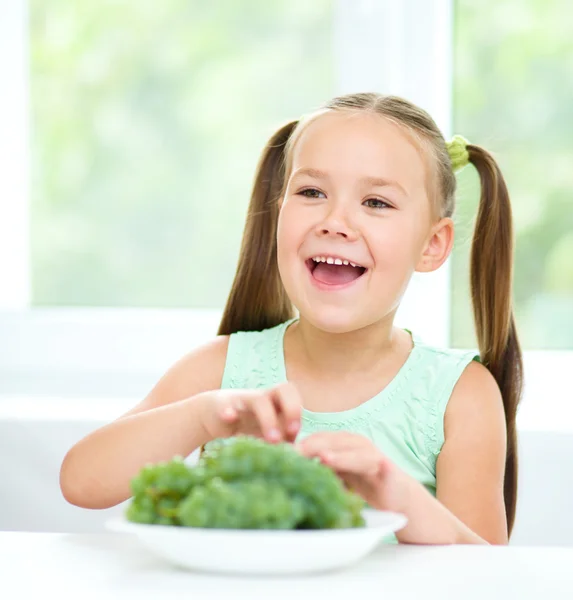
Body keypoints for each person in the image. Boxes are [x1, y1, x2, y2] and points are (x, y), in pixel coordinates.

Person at [60, 93, 523, 545]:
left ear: (432, 245)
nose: (335, 221)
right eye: (311, 192)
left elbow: (485, 573)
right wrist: (203, 418)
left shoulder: (459, 394)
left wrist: (398, 495)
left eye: (376, 202)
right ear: (278, 213)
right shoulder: (221, 372)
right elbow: (81, 482)